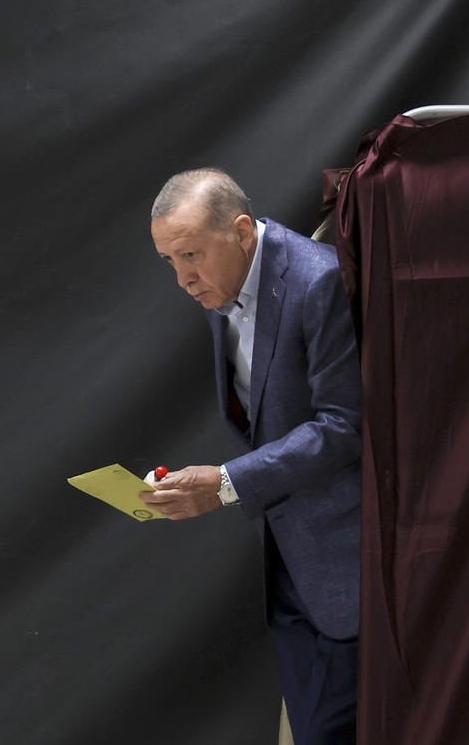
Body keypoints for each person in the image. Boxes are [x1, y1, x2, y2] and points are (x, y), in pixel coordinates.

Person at [141, 168, 362, 745]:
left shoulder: (320, 283)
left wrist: (228, 481)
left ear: (241, 232)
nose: (184, 279)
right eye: (170, 261)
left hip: (346, 560)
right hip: (288, 555)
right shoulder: (225, 285)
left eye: (190, 254)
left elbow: (346, 425)